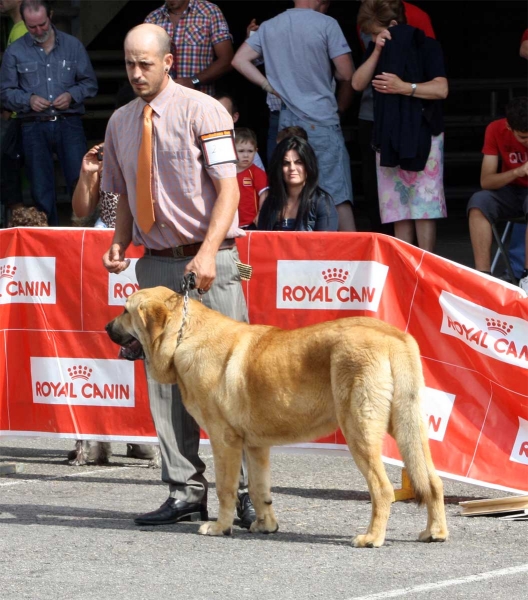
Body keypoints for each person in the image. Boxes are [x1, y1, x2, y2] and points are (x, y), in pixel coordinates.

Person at [101, 23, 255, 528]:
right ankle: (184, 488)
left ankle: (250, 494)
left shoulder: (203, 109)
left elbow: (229, 189)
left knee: (234, 380)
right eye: (129, 63)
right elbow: (121, 194)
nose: (136, 72)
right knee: (165, 383)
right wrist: (119, 242)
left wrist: (209, 252)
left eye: (146, 63)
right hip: (156, 264)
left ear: (169, 62)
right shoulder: (121, 121)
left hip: (209, 260)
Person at [232, 0, 356, 232]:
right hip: (321, 119)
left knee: (290, 192)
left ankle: (295, 257)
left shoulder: (269, 26)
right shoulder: (327, 24)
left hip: (286, 122)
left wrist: (268, 85)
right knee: (336, 193)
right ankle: (353, 258)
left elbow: (239, 60)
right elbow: (347, 73)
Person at [351, 0, 448, 252]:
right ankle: (404, 265)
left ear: (393, 25)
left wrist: (405, 87)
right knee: (397, 205)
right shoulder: (377, 49)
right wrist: (375, 50)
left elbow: (441, 89)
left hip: (424, 131)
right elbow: (357, 84)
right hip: (388, 132)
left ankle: (426, 264)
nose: (371, 37)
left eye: (374, 32)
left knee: (424, 205)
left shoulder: (427, 46)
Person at [0, 0, 98, 226]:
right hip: (32, 125)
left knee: (79, 181)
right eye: (32, 27)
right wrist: (28, 99)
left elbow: (90, 83)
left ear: (50, 16)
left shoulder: (73, 46)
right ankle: (49, 243)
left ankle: (81, 236)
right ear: (24, 23)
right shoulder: (15, 52)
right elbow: (5, 93)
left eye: (42, 24)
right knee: (40, 187)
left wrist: (72, 95)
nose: (38, 31)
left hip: (69, 122)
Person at [467, 96, 528, 291]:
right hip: (511, 189)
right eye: (524, 137)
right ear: (509, 127)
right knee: (479, 202)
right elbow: (487, 181)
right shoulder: (495, 129)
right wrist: (518, 171)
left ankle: (526, 277)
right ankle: (483, 278)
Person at [144, 0, 233, 97]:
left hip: (199, 99)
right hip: (162, 99)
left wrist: (193, 81)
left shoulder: (209, 12)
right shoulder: (152, 19)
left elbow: (227, 60)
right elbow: (144, 60)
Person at [258, 135, 338, 232]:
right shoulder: (270, 201)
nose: (292, 168)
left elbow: (325, 244)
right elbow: (262, 241)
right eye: (286, 163)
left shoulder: (322, 202)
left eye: (299, 162)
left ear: (309, 165)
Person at [0, 0, 28, 227]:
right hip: (18, 112)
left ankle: (20, 222)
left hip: (21, 114)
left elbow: (23, 73)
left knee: (9, 168)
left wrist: (10, 107)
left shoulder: (22, 30)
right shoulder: (15, 28)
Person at [215, 91, 265, 169]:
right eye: (212, 114)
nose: (217, 119)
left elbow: (260, 177)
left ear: (234, 117)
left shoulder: (245, 144)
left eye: (223, 114)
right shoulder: (196, 144)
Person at [234, 127, 268, 229]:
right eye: (241, 151)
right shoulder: (228, 172)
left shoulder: (256, 172)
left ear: (256, 151)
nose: (245, 155)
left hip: (251, 223)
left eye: (250, 151)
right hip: (231, 223)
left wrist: (261, 214)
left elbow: (265, 194)